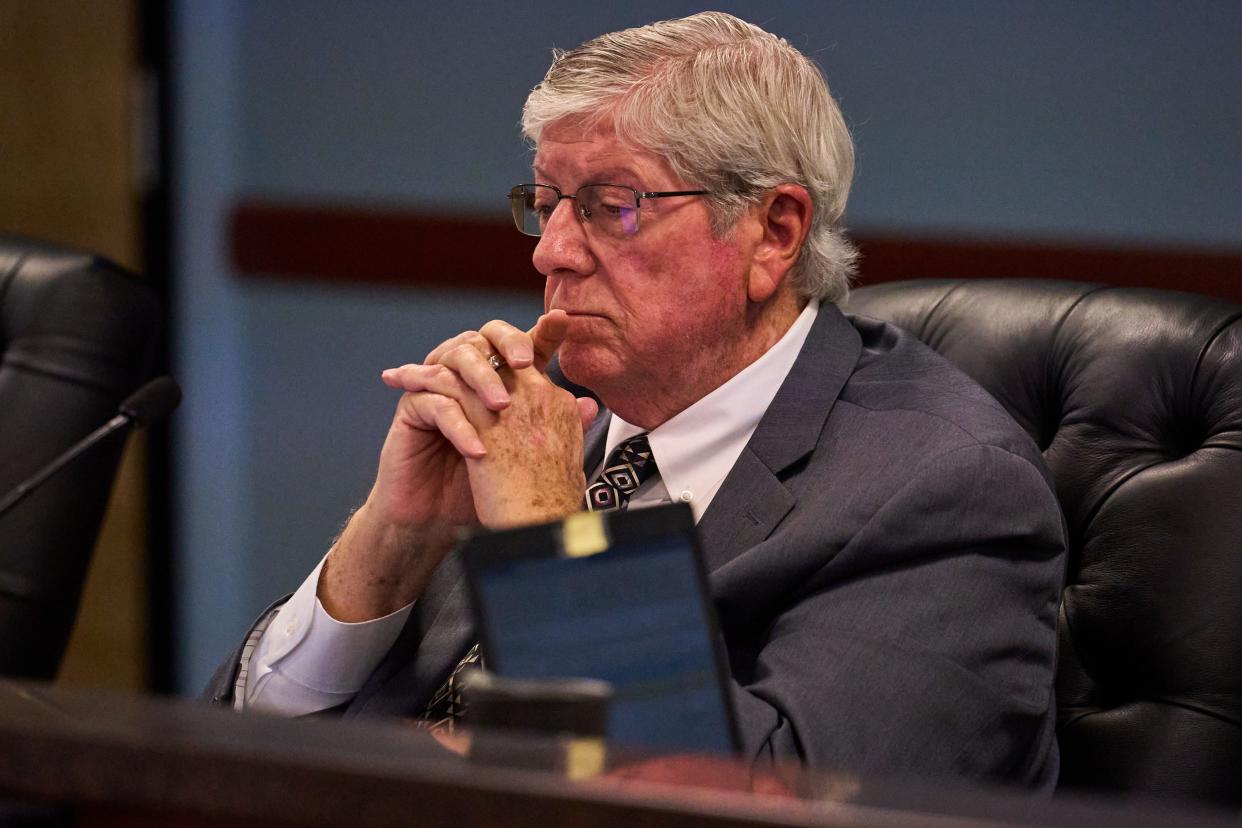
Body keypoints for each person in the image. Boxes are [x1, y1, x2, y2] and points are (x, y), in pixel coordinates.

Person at [209, 12, 1067, 789]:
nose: (551, 254)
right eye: (544, 206)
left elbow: (767, 802)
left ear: (774, 231)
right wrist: (393, 539)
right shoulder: (546, 429)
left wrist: (552, 541)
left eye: (611, 206)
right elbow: (234, 750)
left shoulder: (945, 489)